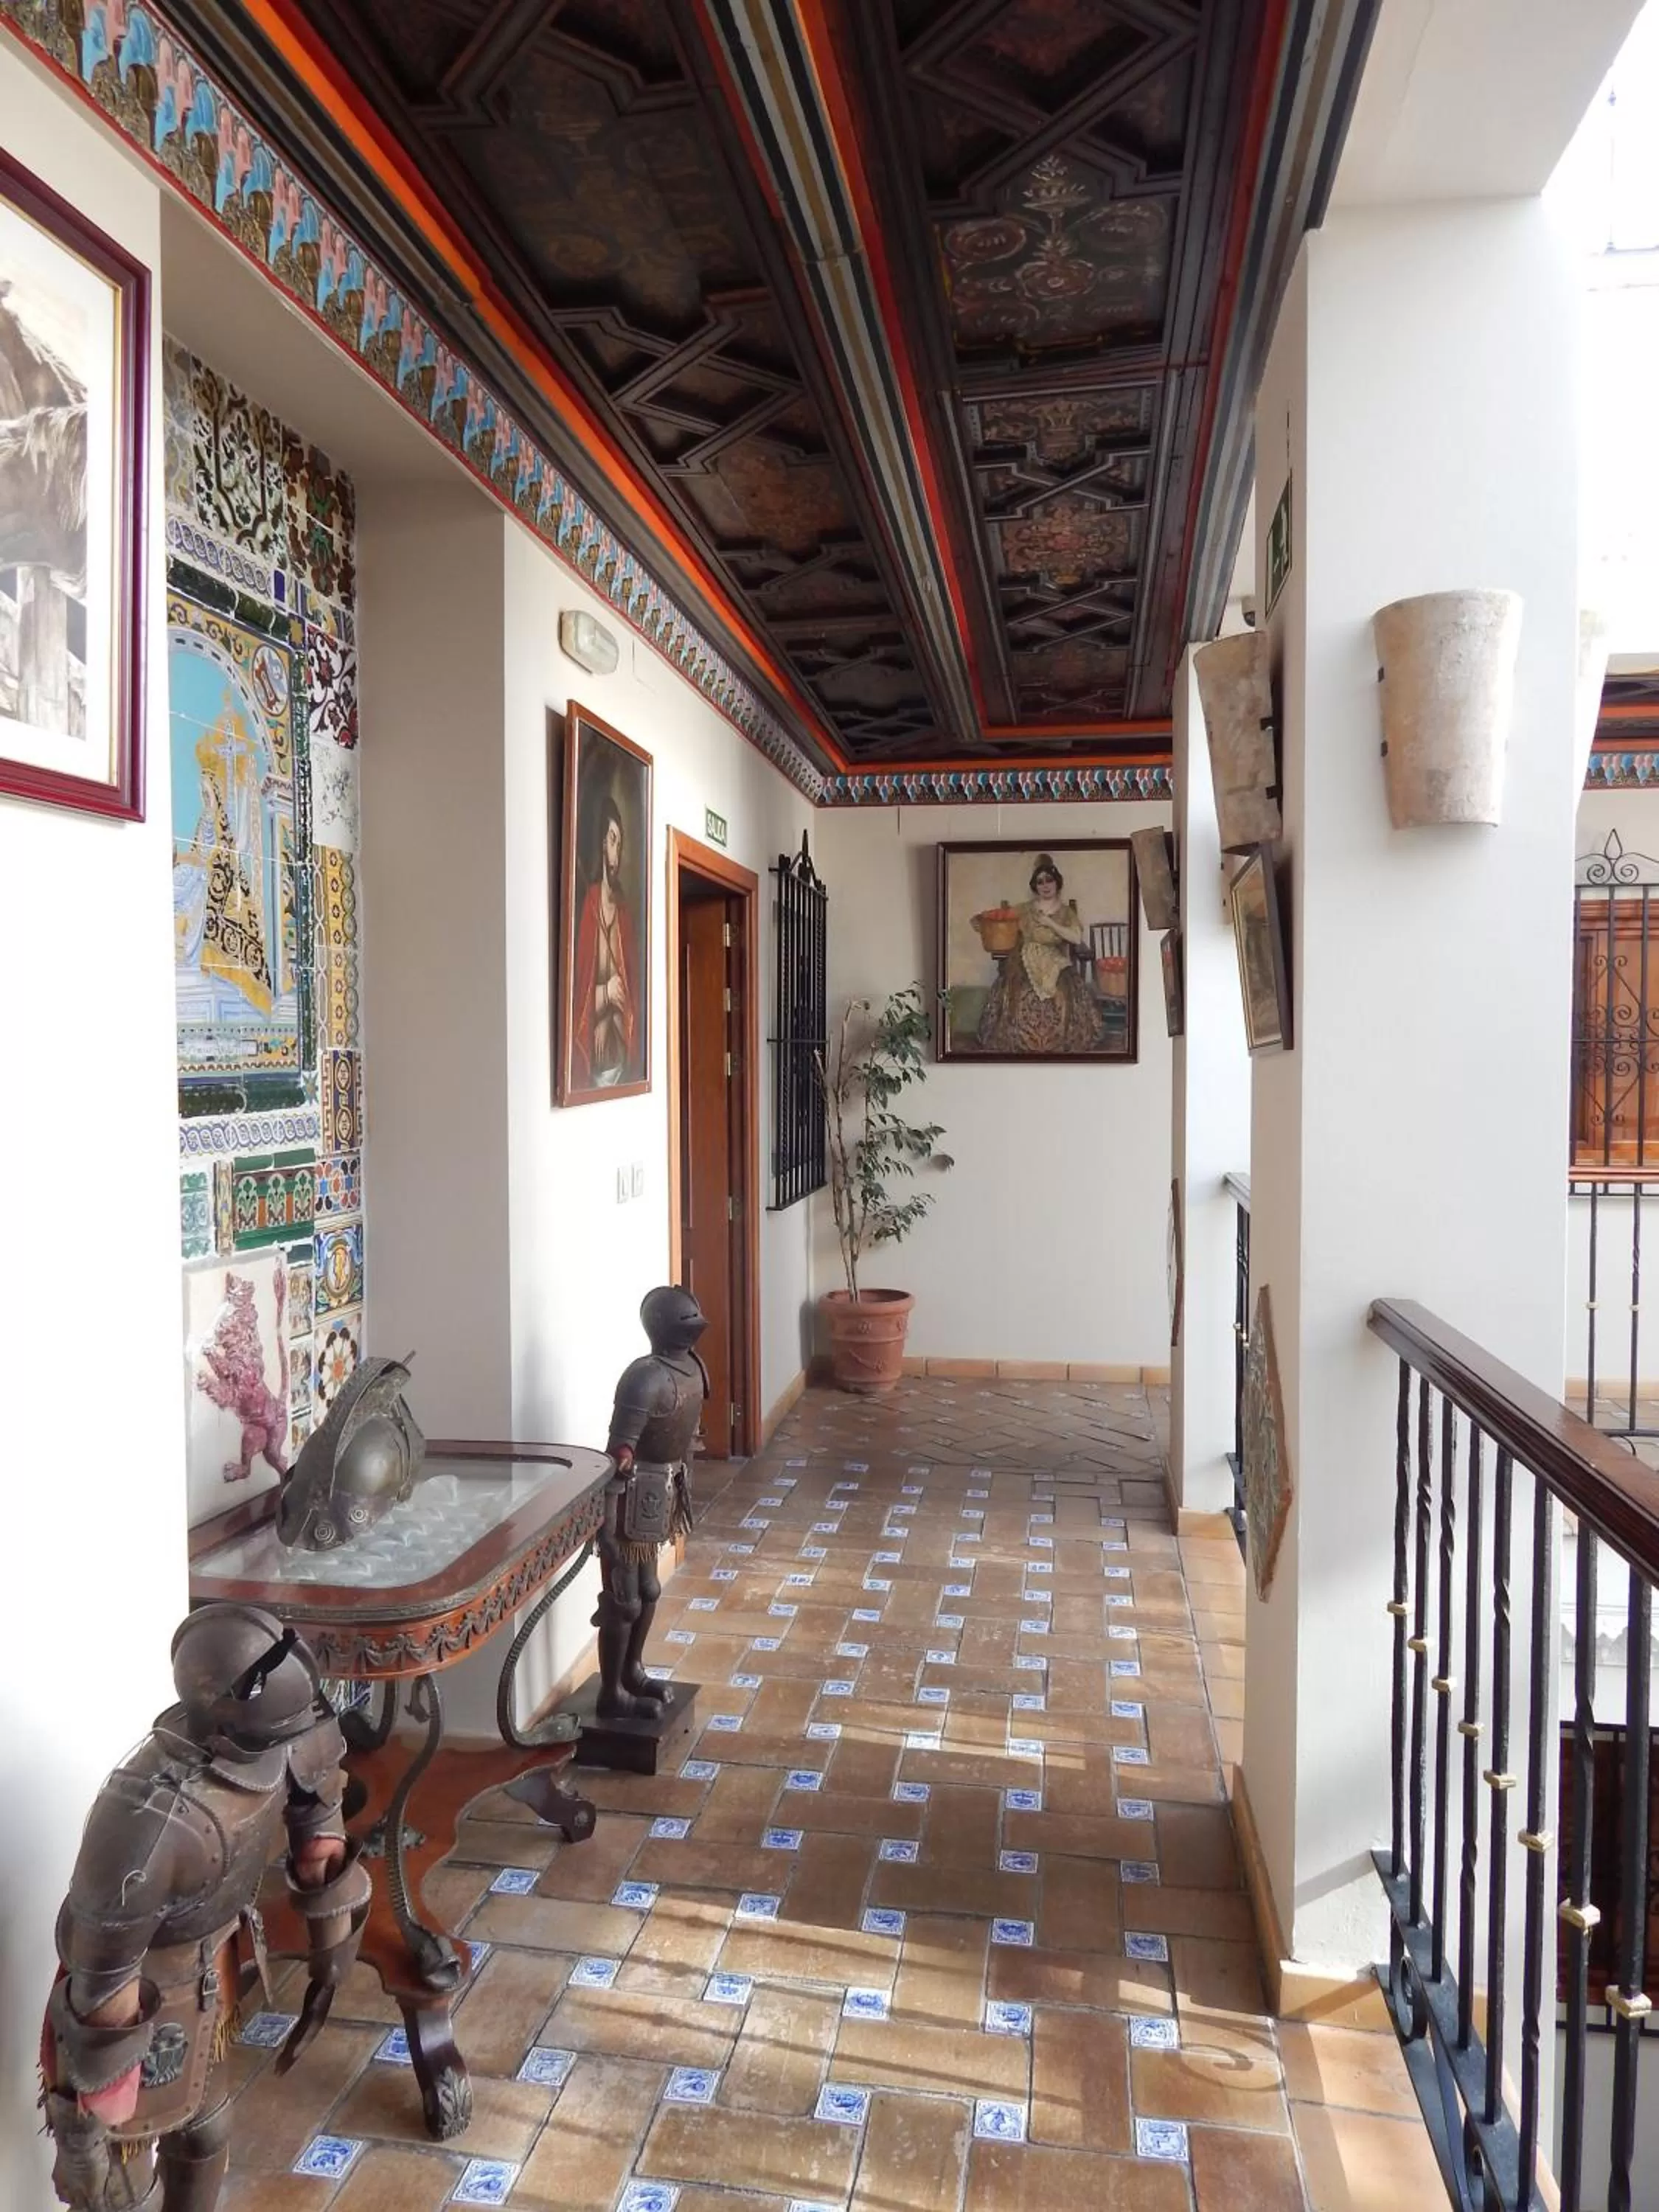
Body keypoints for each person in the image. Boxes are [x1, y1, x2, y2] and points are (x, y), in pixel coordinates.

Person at [41, 1606, 369, 2211]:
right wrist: (81, 2134)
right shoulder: (145, 1818)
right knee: (124, 2185)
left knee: (207, 2130)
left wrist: (331, 1966)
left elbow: (322, 1848)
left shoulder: (292, 1727)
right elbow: (103, 1992)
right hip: (146, 1990)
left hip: (212, 1960)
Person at [592, 1287, 706, 1721]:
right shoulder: (644, 1377)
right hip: (630, 1497)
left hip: (662, 1490)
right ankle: (611, 1692)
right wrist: (606, 1526)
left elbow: (684, 1438)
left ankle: (633, 1672)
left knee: (649, 1590)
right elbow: (619, 1454)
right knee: (623, 1601)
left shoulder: (691, 1367)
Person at [975, 852, 1107, 1054]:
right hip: (1024, 958)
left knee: (1063, 994)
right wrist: (988, 920)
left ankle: (1057, 1045)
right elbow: (998, 920)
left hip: (1054, 959)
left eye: (1049, 880)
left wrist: (1050, 923)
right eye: (1040, 882)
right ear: (1035, 886)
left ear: (1057, 883)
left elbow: (1076, 938)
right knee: (1016, 993)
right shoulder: (1025, 909)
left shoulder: (1065, 912)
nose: (1045, 886)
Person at [571, 795, 638, 1089]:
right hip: (593, 1073)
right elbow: (578, 1001)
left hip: (621, 1068)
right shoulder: (589, 906)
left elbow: (631, 1003)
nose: (617, 853)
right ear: (601, 844)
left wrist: (610, 1018)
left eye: (620, 844)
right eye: (612, 841)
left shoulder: (623, 915)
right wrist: (607, 995)